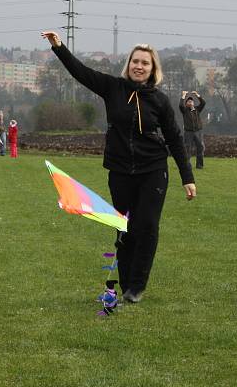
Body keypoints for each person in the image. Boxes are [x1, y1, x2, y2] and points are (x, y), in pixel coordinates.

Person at [41, 31, 196, 305]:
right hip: (120, 171)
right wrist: (59, 47)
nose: (139, 66)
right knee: (124, 227)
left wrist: (188, 177)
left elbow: (174, 138)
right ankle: (126, 283)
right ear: (129, 65)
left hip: (153, 169)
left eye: (145, 63)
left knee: (147, 226)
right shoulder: (113, 87)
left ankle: (137, 286)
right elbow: (81, 72)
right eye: (135, 61)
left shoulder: (159, 101)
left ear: (153, 69)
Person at [179, 91, 206, 169]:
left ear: (194, 103)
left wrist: (198, 95)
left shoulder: (197, 109)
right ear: (186, 103)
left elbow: (203, 103)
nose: (190, 102)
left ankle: (199, 165)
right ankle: (187, 165)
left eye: (191, 101)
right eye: (188, 101)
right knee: (187, 149)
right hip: (188, 132)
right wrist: (183, 95)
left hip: (198, 132)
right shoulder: (184, 110)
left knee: (200, 148)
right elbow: (180, 105)